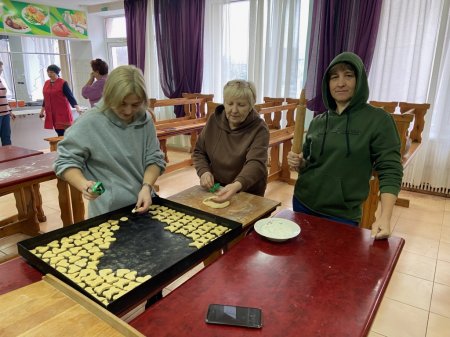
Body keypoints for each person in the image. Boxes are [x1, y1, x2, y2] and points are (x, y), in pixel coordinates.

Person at [287, 52, 403, 239]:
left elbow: (390, 169)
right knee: (302, 264)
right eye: (334, 77)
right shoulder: (319, 121)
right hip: (302, 203)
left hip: (342, 214)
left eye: (348, 75)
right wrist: (300, 163)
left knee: (333, 265)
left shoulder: (378, 120)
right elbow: (309, 163)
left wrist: (385, 216)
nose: (340, 83)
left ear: (360, 80)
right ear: (327, 84)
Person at [54, 65, 166, 218]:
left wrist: (147, 187)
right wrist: (84, 185)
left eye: (135, 104)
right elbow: (65, 161)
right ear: (109, 97)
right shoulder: (90, 122)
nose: (128, 111)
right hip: (109, 211)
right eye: (122, 104)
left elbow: (154, 158)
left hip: (145, 203)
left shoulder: (144, 119)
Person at [192, 79, 269, 202]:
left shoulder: (260, 128)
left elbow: (256, 163)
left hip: (247, 190)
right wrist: (204, 172)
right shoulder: (213, 120)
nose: (234, 110)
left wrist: (237, 184)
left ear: (251, 105)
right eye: (229, 103)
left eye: (241, 105)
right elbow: (199, 152)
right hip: (217, 187)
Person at [39, 64, 82, 136]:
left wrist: (77, 107)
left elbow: (70, 96)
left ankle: (66, 146)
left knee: (65, 132)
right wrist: (42, 111)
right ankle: (61, 146)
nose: (49, 74)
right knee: (58, 131)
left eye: (51, 72)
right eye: (48, 72)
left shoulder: (63, 83)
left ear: (56, 72)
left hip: (62, 111)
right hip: (52, 112)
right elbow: (45, 98)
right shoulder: (46, 83)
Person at [0, 61, 15, 146]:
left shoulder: (1, 81)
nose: (1, 69)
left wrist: (10, 111)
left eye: (1, 67)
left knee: (6, 137)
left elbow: (4, 98)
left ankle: (9, 158)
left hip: (5, 113)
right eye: (0, 67)